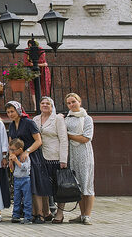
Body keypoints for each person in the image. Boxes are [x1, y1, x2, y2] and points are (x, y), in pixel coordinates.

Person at [6, 101, 51, 223]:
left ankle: (40, 214)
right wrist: (11, 158)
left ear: (19, 110)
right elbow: (11, 144)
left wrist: (27, 151)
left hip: (32, 157)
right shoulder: (11, 126)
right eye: (8, 112)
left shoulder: (29, 123)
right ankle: (30, 212)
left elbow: (38, 141)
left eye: (12, 111)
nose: (10, 114)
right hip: (18, 159)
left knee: (35, 185)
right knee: (25, 188)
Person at [33, 96, 68, 223]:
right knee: (43, 185)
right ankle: (46, 212)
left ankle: (59, 214)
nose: (45, 105)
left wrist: (63, 159)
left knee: (59, 187)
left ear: (52, 106)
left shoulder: (58, 119)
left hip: (55, 157)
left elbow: (64, 139)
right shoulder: (36, 119)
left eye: (48, 103)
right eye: (42, 103)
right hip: (40, 157)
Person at [64, 93, 95, 225]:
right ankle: (81, 214)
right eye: (69, 103)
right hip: (73, 155)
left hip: (84, 154)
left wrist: (69, 136)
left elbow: (86, 138)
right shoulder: (67, 119)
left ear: (79, 101)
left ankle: (87, 215)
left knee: (87, 184)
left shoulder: (87, 119)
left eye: (74, 102)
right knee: (78, 186)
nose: (72, 105)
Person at [9, 138, 33, 224]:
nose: (11, 151)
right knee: (16, 198)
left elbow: (25, 168)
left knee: (27, 199)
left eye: (13, 150)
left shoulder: (25, 157)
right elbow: (12, 169)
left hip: (25, 179)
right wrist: (11, 162)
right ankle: (16, 215)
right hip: (17, 179)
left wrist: (16, 161)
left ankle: (28, 216)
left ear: (20, 149)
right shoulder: (14, 156)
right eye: (10, 149)